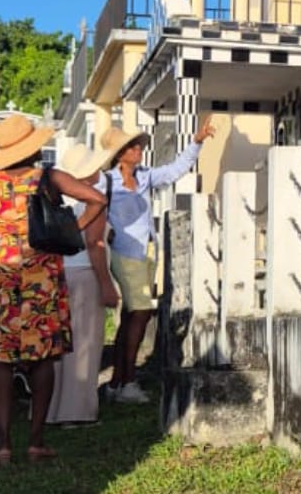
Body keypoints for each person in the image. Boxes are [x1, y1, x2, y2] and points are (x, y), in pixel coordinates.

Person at [0, 114, 105, 466]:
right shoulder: (49, 177)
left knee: (2, 358)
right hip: (43, 271)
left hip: (6, 273)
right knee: (43, 357)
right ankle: (36, 440)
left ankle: (3, 445)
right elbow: (97, 199)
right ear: (33, 146)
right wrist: (68, 232)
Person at [99, 117, 215, 403]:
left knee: (131, 317)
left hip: (145, 252)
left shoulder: (144, 176)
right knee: (140, 313)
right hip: (123, 253)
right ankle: (127, 382)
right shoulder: (107, 182)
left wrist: (196, 143)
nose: (139, 150)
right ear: (119, 154)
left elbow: (175, 171)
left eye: (138, 146)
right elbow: (94, 211)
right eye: (132, 147)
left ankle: (117, 382)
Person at [45, 143, 118, 427]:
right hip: (85, 273)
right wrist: (107, 283)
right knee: (85, 343)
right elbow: (94, 243)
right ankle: (76, 412)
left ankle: (52, 408)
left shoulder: (57, 200)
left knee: (59, 345)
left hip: (59, 274)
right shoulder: (93, 200)